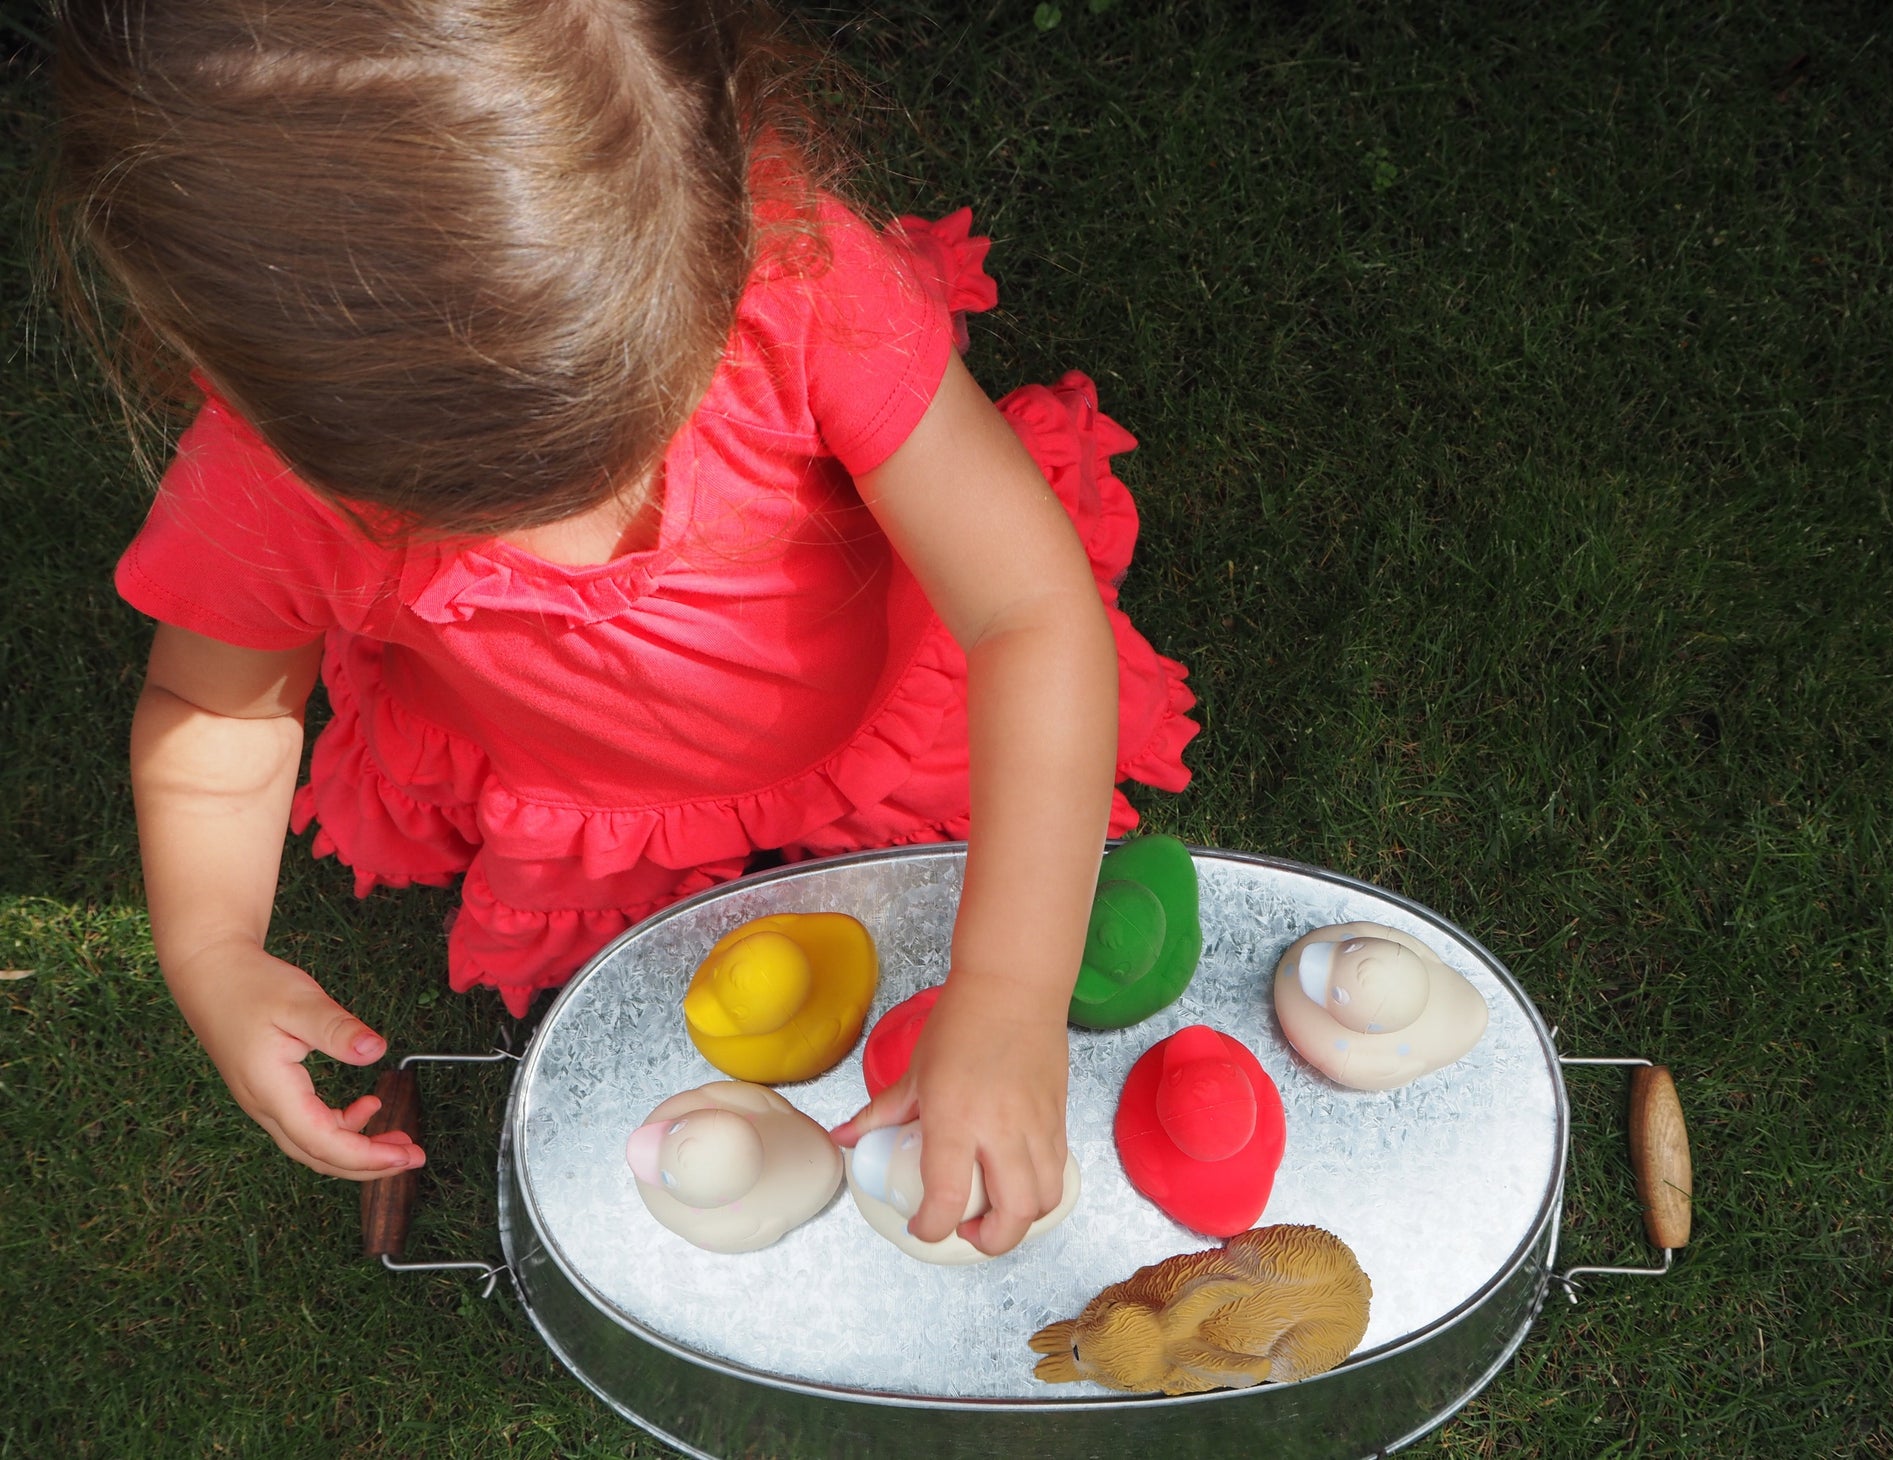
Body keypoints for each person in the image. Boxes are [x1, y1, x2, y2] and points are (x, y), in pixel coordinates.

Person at [55, 0, 1195, 1257]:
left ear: (714, 202)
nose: (585, 517)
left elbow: (1027, 609)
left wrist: (1008, 995)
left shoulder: (800, 279)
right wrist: (210, 947)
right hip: (590, 797)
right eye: (469, 502)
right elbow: (217, 711)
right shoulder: (266, 489)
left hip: (883, 714)